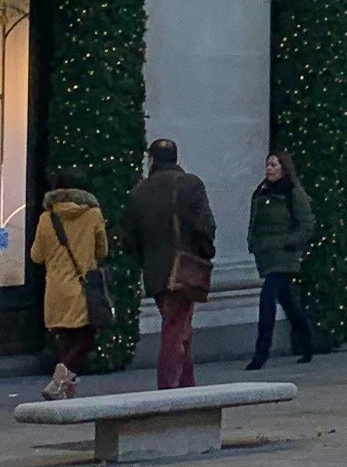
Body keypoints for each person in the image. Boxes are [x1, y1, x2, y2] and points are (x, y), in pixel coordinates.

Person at [123, 137, 217, 392]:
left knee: (179, 325)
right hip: (184, 267)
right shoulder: (190, 184)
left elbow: (128, 241)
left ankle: (187, 385)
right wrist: (205, 253)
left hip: (155, 272)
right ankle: (171, 387)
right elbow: (205, 226)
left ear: (151, 160)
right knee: (177, 328)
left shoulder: (138, 192)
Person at [31, 179, 110, 398]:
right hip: (82, 287)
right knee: (88, 336)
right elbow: (102, 251)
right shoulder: (93, 214)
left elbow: (36, 256)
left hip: (56, 287)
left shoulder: (47, 218)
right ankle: (62, 375)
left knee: (66, 337)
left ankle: (65, 388)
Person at [245, 149, 320, 371]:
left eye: (274, 165)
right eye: (268, 164)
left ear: (284, 168)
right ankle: (307, 341)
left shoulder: (292, 192)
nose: (269, 169)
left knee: (267, 299)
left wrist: (290, 243)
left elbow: (306, 224)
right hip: (267, 255)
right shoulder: (261, 191)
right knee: (288, 301)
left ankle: (261, 353)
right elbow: (255, 221)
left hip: (284, 256)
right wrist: (253, 243)